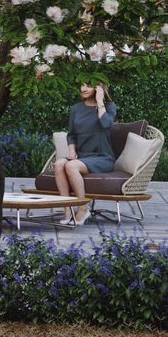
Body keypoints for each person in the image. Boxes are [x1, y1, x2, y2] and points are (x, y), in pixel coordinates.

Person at [56, 81, 120, 227]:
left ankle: (83, 208)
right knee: (59, 164)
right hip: (81, 156)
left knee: (71, 166)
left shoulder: (109, 106)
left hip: (102, 157)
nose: (83, 89)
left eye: (88, 86)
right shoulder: (75, 109)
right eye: (82, 85)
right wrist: (71, 151)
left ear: (99, 88)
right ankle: (67, 210)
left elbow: (106, 124)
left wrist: (99, 101)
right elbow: (71, 135)